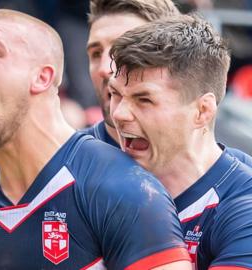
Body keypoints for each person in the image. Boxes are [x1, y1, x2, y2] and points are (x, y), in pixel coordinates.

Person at [0, 0, 252, 269]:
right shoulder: (70, 166)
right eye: (95, 53)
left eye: (121, 49)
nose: (106, 68)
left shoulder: (238, 199)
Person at [107, 14, 252, 269]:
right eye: (115, 94)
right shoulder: (92, 168)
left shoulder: (242, 205)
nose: (118, 114)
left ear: (202, 112)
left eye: (144, 99)